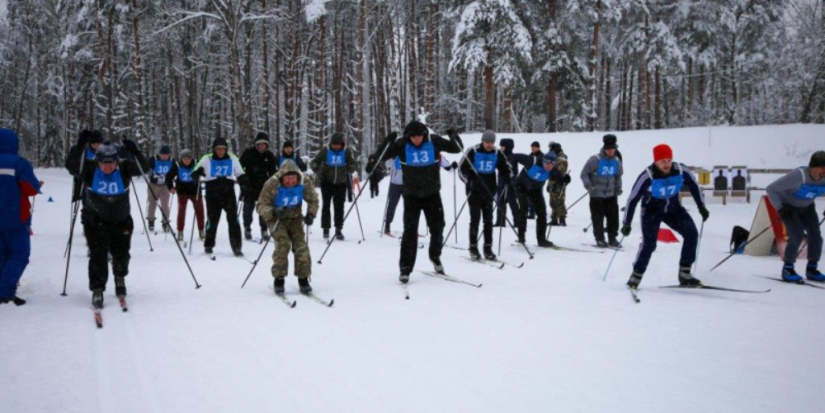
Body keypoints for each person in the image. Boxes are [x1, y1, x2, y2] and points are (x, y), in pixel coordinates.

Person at [376, 121, 463, 282]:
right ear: (408, 136)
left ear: (424, 134)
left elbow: (457, 148)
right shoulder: (402, 144)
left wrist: (453, 135)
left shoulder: (434, 141)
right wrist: (388, 141)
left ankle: (435, 256)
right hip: (411, 195)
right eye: (413, 137)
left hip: (432, 194)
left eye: (420, 136)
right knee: (410, 232)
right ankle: (405, 268)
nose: (417, 140)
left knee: (438, 227)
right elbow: (379, 156)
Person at [622, 144, 709, 289]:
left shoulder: (681, 170)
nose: (666, 164)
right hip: (651, 211)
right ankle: (635, 276)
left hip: (673, 209)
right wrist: (627, 222)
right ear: (655, 161)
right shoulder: (647, 176)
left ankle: (685, 274)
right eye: (663, 161)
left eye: (669, 160)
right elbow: (633, 198)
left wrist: (701, 207)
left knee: (691, 233)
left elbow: (694, 186)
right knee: (649, 244)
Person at [71, 140, 146, 309]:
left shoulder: (124, 167)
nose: (107, 166)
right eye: (103, 162)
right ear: (97, 160)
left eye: (111, 162)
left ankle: (120, 277)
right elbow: (71, 166)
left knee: (122, 255)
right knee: (98, 255)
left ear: (116, 160)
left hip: (121, 220)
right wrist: (79, 147)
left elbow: (145, 168)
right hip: (96, 222)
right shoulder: (90, 169)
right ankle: (98, 288)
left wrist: (136, 152)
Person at [257, 160, 320, 294]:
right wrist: (273, 211)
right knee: (283, 243)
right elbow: (260, 206)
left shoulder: (304, 181)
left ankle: (303, 278)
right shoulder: (272, 183)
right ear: (282, 176)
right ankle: (279, 278)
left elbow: (313, 199)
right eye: (287, 179)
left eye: (293, 178)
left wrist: (311, 214)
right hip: (276, 219)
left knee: (301, 246)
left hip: (295, 218)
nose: (290, 182)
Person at [765, 151, 825, 282]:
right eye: (823, 168)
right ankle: (788, 268)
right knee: (796, 235)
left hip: (807, 207)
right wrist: (780, 208)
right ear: (814, 166)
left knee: (816, 236)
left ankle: (812, 269)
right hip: (788, 208)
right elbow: (771, 189)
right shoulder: (798, 176)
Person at [0, 128, 42, 306]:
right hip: (15, 216)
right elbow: (31, 188)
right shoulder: (18, 163)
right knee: (19, 254)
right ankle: (5, 292)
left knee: (1, 254)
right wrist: (36, 185)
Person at [459, 130, 511, 260]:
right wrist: (470, 179)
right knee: (475, 219)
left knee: (488, 220)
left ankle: (488, 248)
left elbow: (506, 167)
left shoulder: (497, 152)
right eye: (487, 142)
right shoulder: (473, 151)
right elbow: (461, 169)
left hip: (489, 190)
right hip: (474, 191)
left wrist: (508, 176)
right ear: (482, 141)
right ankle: (473, 248)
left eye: (492, 142)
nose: (489, 145)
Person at [192, 138, 248, 257]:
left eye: (223, 149)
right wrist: (197, 173)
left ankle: (236, 247)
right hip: (212, 193)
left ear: (226, 149)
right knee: (212, 220)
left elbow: (240, 172)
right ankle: (208, 245)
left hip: (228, 192)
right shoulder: (207, 158)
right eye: (218, 149)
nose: (221, 151)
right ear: (214, 149)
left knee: (233, 220)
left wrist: (243, 182)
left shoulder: (232, 157)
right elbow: (195, 170)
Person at [310, 132, 358, 240]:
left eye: (338, 144)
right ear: (331, 143)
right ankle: (326, 229)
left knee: (339, 206)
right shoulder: (325, 150)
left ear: (342, 144)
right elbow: (314, 162)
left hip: (340, 183)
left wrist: (349, 168)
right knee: (326, 205)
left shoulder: (346, 151)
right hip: (327, 182)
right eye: (334, 144)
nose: (336, 147)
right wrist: (318, 169)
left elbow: (354, 164)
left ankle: (338, 229)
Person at [581, 137, 623, 248]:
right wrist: (589, 186)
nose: (611, 151)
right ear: (604, 148)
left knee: (613, 217)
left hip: (611, 194)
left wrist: (618, 188)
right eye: (608, 149)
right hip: (596, 193)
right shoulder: (595, 159)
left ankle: (612, 238)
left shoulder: (617, 160)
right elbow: (584, 174)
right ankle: (600, 239)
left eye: (613, 149)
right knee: (597, 217)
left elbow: (618, 176)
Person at [514, 147, 560, 247]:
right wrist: (511, 171)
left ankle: (541, 239)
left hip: (536, 189)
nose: (549, 166)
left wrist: (564, 180)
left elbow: (559, 178)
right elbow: (514, 157)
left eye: (552, 164)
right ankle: (521, 236)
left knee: (542, 212)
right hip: (521, 186)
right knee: (524, 208)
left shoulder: (553, 169)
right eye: (547, 163)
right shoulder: (532, 160)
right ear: (543, 161)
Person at [240, 132, 278, 241]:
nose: (261, 146)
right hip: (249, 184)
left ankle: (264, 229)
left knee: (264, 209)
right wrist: (244, 179)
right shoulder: (248, 153)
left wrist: (272, 184)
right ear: (256, 144)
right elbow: (239, 167)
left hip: (264, 186)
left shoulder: (269, 155)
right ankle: (247, 227)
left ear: (267, 145)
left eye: (264, 144)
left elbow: (273, 172)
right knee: (248, 208)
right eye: (259, 144)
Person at [65, 130, 103, 228]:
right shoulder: (83, 150)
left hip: (102, 183)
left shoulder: (105, 151)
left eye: (99, 143)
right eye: (94, 143)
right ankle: (88, 224)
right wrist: (79, 173)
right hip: (86, 183)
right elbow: (70, 164)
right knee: (88, 204)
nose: (96, 146)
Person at [174, 149, 205, 242]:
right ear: (181, 159)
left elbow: (205, 172)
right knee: (181, 211)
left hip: (195, 192)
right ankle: (180, 231)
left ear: (191, 158)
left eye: (188, 158)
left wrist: (201, 171)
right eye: (184, 159)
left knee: (200, 211)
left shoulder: (196, 163)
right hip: (182, 192)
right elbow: (169, 176)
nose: (187, 160)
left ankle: (201, 230)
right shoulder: (177, 165)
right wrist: (171, 187)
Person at [146, 145, 177, 233]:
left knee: (165, 205)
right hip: (154, 184)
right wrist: (150, 172)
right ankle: (151, 220)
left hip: (165, 185)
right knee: (152, 203)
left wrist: (173, 186)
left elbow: (175, 172)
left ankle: (165, 222)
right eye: (163, 154)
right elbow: (146, 167)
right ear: (160, 154)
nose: (164, 156)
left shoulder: (172, 161)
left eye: (166, 154)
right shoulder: (153, 159)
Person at [494, 138, 520, 227]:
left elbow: (513, 171)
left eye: (503, 146)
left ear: (508, 147)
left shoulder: (512, 157)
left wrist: (511, 180)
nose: (501, 148)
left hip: (510, 184)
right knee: (500, 202)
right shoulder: (500, 156)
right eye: (500, 146)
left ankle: (517, 221)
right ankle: (500, 221)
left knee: (513, 202)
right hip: (501, 183)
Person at [547, 142, 570, 226]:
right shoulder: (555, 157)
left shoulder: (561, 159)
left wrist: (555, 183)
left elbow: (559, 172)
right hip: (553, 181)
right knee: (553, 201)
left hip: (558, 182)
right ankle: (554, 218)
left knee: (559, 200)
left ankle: (562, 219)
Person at [382, 156, 404, 235]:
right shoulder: (395, 156)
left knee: (411, 206)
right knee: (392, 205)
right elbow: (387, 164)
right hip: (395, 184)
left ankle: (412, 228)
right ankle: (387, 226)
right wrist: (392, 157)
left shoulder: (409, 152)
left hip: (408, 183)